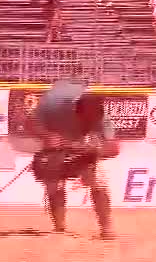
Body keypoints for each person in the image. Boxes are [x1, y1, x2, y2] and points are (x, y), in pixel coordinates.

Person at [28, 81, 120, 239]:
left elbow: (114, 148)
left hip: (83, 148)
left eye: (92, 122)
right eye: (86, 121)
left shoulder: (101, 115)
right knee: (54, 184)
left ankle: (106, 228)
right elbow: (29, 123)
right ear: (76, 112)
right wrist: (46, 136)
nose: (90, 124)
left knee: (99, 179)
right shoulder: (52, 103)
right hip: (55, 146)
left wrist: (92, 150)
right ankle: (60, 229)